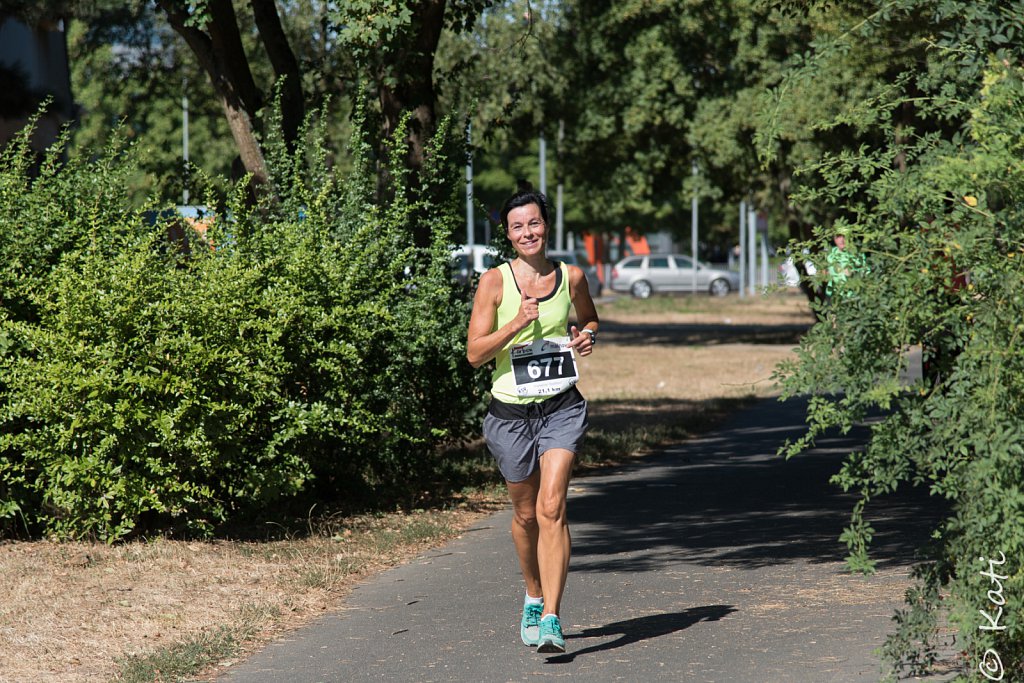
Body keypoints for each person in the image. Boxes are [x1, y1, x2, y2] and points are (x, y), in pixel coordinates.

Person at [466, 189, 599, 654]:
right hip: (510, 415)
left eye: (535, 223)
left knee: (551, 508)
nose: (528, 232)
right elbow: (475, 354)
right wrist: (515, 325)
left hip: (561, 407)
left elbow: (591, 320)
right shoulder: (495, 283)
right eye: (518, 226)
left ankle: (551, 619)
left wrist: (586, 337)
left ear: (547, 225)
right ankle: (533, 593)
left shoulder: (572, 275)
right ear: (507, 234)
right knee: (525, 515)